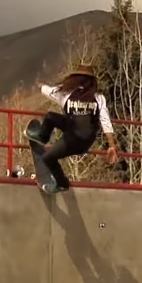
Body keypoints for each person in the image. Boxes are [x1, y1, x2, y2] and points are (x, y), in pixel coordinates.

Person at [29, 64, 118, 193]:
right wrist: (111, 145)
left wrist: (39, 85)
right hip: (85, 138)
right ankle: (42, 137)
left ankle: (62, 184)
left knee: (48, 157)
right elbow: (105, 121)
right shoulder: (98, 98)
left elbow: (50, 91)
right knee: (50, 117)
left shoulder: (66, 94)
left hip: (73, 140)